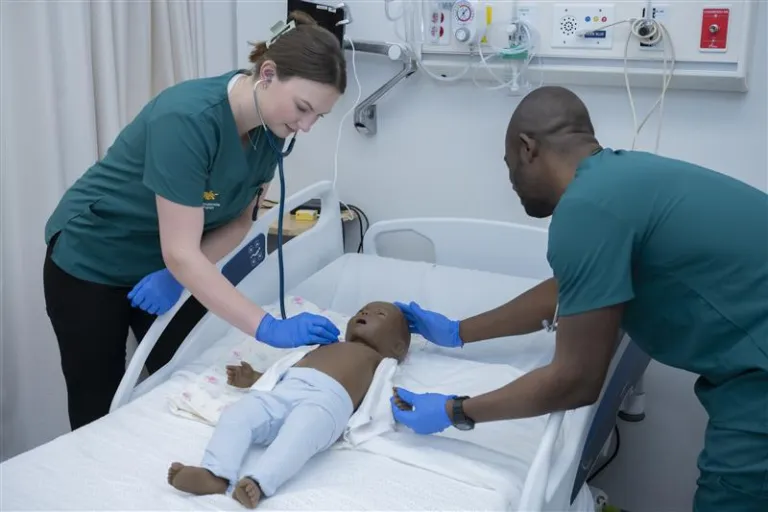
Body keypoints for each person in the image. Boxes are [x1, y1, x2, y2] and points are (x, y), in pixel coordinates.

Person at [390, 86, 768, 511]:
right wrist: (458, 332)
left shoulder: (586, 209)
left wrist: (456, 410)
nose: (512, 182)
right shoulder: (620, 180)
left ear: (527, 148)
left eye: (509, 166)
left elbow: (576, 380)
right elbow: (573, 287)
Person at [43, 11, 346, 432]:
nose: (307, 126)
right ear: (269, 74)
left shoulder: (271, 130)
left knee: (189, 380)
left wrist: (175, 276)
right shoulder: (186, 120)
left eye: (319, 116)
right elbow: (181, 253)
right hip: (94, 257)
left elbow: (239, 222)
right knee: (99, 403)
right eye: (303, 108)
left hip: (173, 261)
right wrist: (268, 328)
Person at [166, 301, 411, 508]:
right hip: (285, 389)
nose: (365, 314)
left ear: (397, 347)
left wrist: (400, 405)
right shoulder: (327, 344)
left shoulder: (381, 361)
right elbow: (286, 367)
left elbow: (382, 393)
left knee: (299, 434)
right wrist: (254, 378)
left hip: (326, 402)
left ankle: (259, 482)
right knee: (238, 415)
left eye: (379, 315)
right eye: (362, 311)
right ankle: (216, 473)